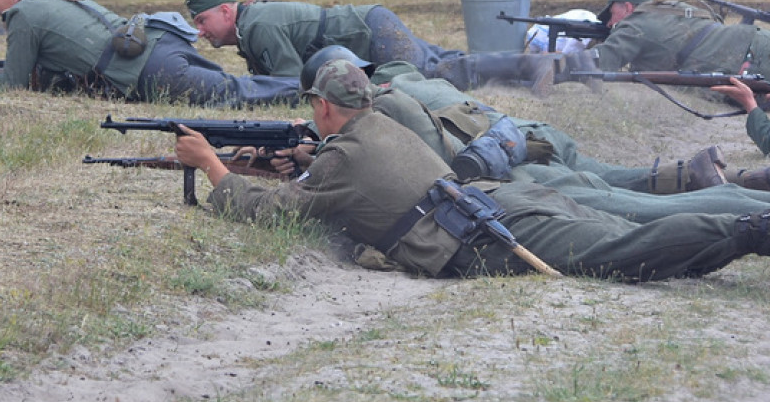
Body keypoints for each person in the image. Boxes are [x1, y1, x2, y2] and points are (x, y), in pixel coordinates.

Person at [173, 59, 770, 281]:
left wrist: (212, 168)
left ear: (324, 107)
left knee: (622, 250)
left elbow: (270, 210)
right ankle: (735, 227)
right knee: (632, 229)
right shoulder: (383, 126)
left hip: (486, 233)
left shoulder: (346, 156)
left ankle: (750, 231)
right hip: (496, 203)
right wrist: (309, 158)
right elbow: (364, 172)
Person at [0, 0, 300, 107]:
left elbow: (13, 86)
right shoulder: (54, 1)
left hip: (148, 68)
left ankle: (312, 93)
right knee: (230, 85)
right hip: (161, 43)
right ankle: (304, 89)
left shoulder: (23, 14)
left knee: (231, 94)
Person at [183, 0, 563, 94]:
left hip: (370, 33)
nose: (201, 31)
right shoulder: (253, 23)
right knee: (443, 59)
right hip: (370, 25)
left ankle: (531, 65)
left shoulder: (259, 25)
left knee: (433, 73)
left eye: (203, 20)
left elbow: (286, 84)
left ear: (226, 11)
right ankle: (560, 69)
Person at [589, 0, 770, 74]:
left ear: (628, 8)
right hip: (757, 39)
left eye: (611, 15)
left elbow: (599, 62)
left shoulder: (637, 23)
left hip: (749, 61)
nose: (609, 24)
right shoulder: (675, 9)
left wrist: (562, 60)